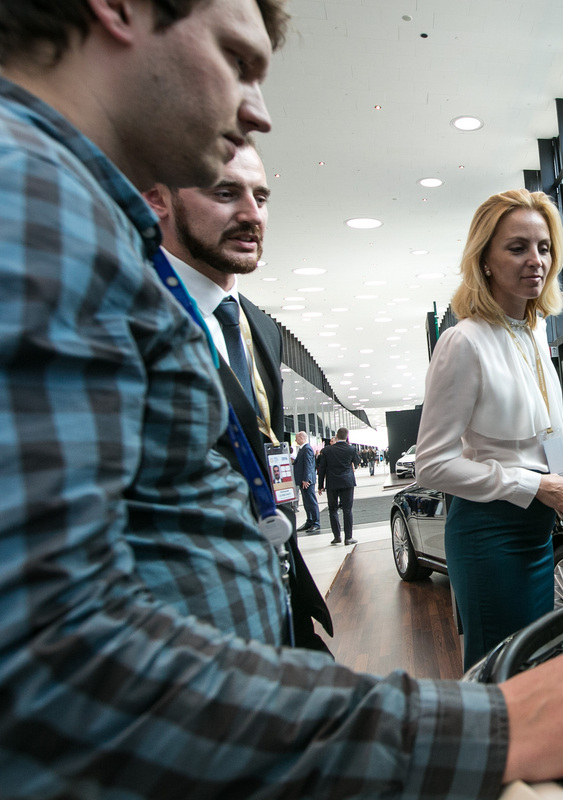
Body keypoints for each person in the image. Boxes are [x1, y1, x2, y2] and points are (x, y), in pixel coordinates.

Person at [0, 2, 563, 796]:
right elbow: (53, 655)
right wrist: (481, 729)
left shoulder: (75, 208)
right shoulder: (31, 197)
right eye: (239, 60)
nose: (258, 110)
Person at [143, 142, 332, 651]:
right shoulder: (130, 313)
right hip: (188, 628)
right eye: (225, 193)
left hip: (279, 596)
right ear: (157, 198)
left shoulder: (258, 326)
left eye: (261, 196)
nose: (252, 214)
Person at [416, 188, 563, 667]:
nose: (535, 261)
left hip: (538, 533)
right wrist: (533, 482)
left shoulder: (534, 331)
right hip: (490, 537)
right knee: (503, 676)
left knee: (532, 666)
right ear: (484, 260)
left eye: (543, 248)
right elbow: (431, 465)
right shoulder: (463, 342)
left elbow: (531, 430)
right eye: (517, 247)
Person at [318, 426, 361, 545]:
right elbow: (357, 462)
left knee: (332, 509)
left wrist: (320, 485)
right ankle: (348, 538)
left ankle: (337, 537)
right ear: (346, 436)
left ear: (336, 436)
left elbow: (322, 469)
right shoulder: (351, 449)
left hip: (332, 483)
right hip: (347, 482)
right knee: (347, 510)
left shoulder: (327, 450)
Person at [293, 431, 321, 532]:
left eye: (296, 438)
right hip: (302, 480)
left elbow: (308, 466)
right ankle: (309, 521)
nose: (295, 440)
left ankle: (316, 522)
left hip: (307, 481)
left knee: (311, 501)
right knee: (306, 502)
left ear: (301, 438)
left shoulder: (307, 449)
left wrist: (306, 479)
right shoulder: (302, 449)